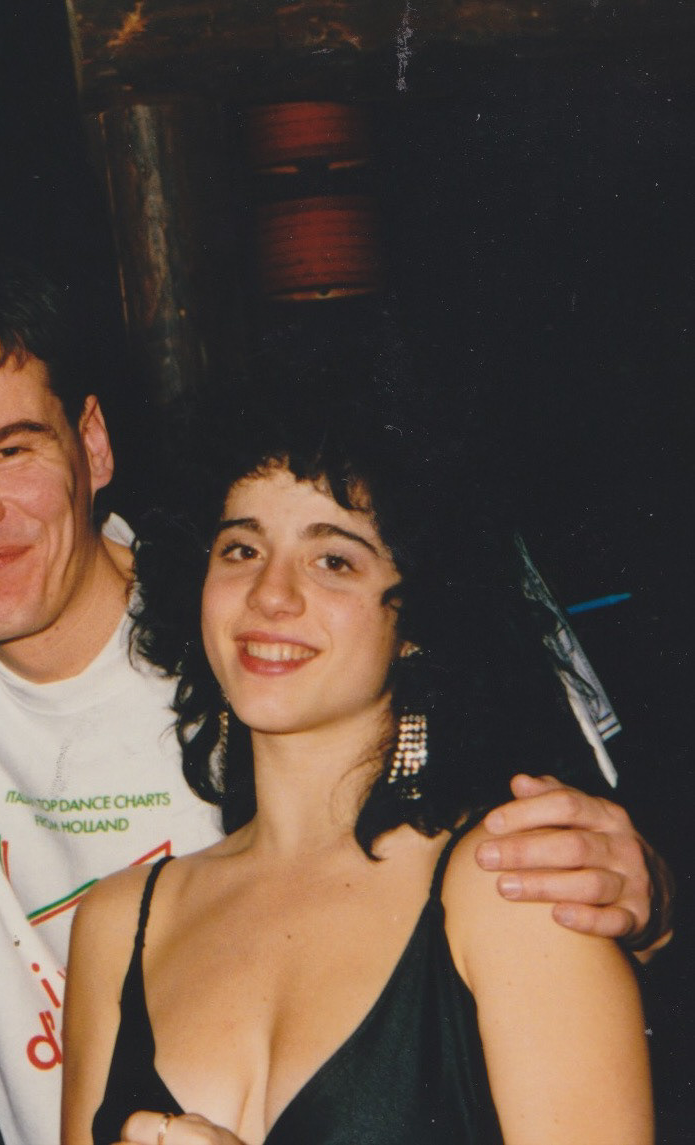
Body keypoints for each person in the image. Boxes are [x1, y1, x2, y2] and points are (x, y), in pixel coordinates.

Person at [0, 251, 668, 1144]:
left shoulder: (494, 877)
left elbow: (600, 850)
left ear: (92, 442)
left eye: (9, 449)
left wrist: (658, 897)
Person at [60, 400, 653, 1144]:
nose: (270, 593)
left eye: (333, 560)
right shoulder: (118, 924)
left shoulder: (515, 890)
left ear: (419, 619)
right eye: (241, 549)